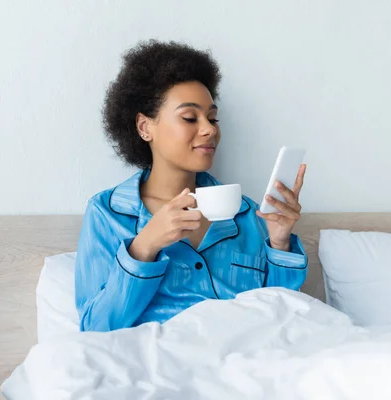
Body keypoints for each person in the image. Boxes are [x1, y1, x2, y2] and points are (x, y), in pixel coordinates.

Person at [75, 40, 308, 332]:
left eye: (212, 117)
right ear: (145, 127)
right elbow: (95, 330)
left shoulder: (249, 214)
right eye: (189, 117)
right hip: (160, 369)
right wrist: (145, 246)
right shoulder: (107, 213)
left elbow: (281, 321)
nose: (209, 129)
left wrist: (280, 243)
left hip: (246, 366)